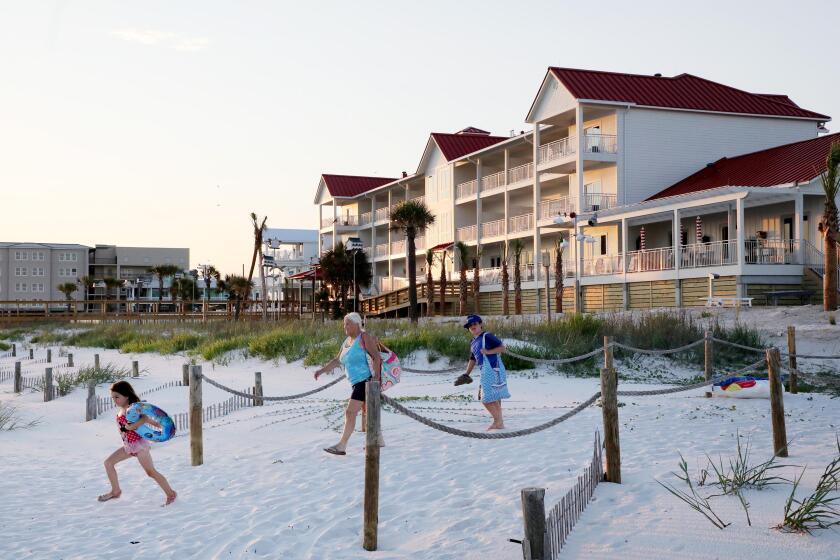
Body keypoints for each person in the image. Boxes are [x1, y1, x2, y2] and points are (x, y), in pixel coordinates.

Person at [98, 380, 177, 506]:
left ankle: (171, 494)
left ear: (127, 396)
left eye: (117, 397)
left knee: (151, 472)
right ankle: (115, 491)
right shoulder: (122, 410)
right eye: (113, 397)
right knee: (108, 463)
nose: (114, 400)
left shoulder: (132, 409)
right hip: (128, 446)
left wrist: (139, 425)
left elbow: (145, 418)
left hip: (139, 446)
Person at [314, 312, 384, 455]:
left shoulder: (364, 337)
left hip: (365, 381)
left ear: (357, 324)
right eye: (344, 323)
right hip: (355, 382)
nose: (345, 326)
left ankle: (342, 445)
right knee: (368, 411)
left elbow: (377, 358)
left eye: (348, 323)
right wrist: (321, 371)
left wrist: (375, 378)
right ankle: (379, 440)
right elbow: (337, 360)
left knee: (350, 412)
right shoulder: (347, 341)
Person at [455, 314, 510, 430]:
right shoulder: (473, 341)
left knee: (486, 399)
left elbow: (502, 348)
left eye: (474, 324)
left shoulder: (487, 336)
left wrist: (488, 352)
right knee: (494, 397)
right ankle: (499, 423)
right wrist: (466, 374)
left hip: (493, 369)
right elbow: (473, 358)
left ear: (480, 324)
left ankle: (498, 422)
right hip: (484, 369)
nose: (472, 326)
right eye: (470, 326)